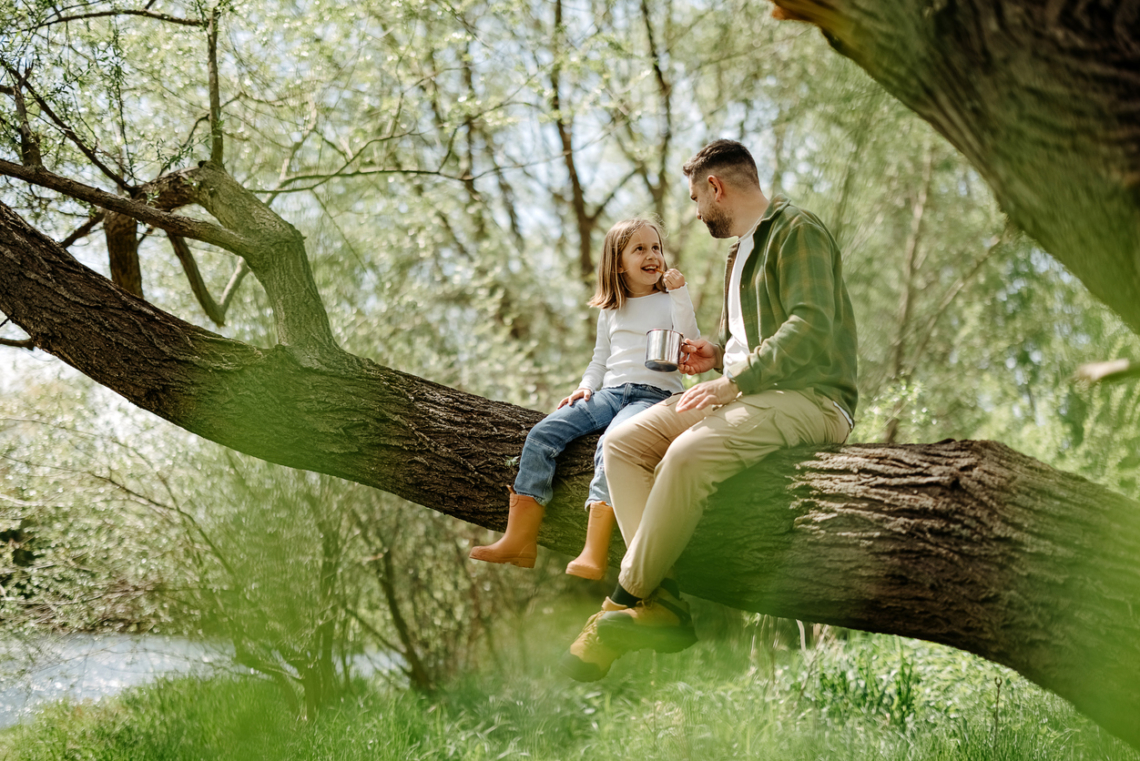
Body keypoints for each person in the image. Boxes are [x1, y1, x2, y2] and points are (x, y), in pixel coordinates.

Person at [560, 139, 858, 681]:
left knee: (687, 455)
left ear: (716, 187)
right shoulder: (738, 254)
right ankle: (664, 605)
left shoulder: (797, 231)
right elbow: (752, 340)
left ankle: (622, 600)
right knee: (621, 445)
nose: (697, 213)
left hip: (811, 399)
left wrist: (730, 382)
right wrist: (717, 355)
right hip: (748, 391)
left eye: (697, 199)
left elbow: (810, 328)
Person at [469, 217, 700, 580]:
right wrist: (585, 386)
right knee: (543, 433)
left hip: (655, 396)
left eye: (655, 247)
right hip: (609, 393)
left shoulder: (669, 301)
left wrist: (681, 293)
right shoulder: (610, 311)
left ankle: (593, 551)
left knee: (612, 447)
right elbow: (600, 358)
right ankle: (519, 540)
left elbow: (690, 338)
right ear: (618, 263)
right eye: (639, 249)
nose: (652, 255)